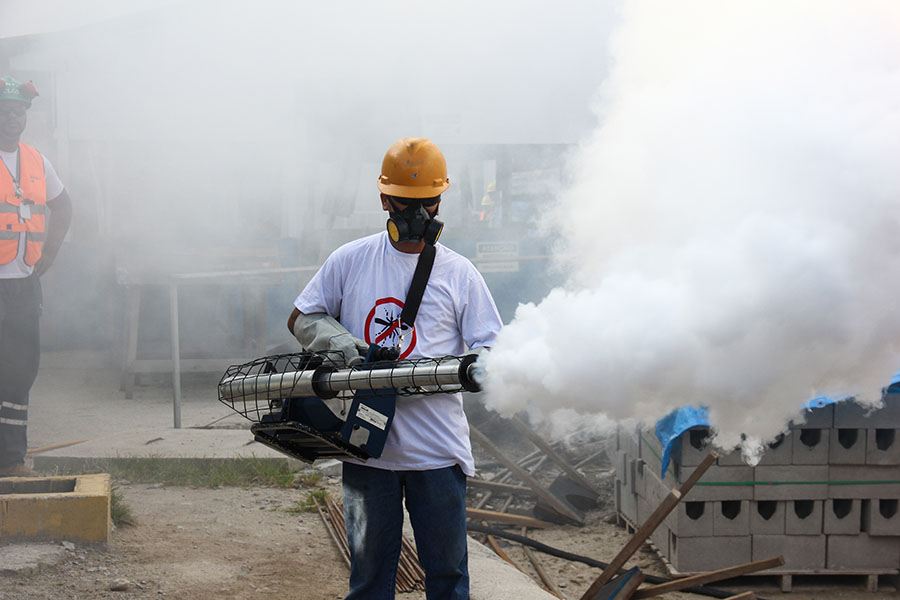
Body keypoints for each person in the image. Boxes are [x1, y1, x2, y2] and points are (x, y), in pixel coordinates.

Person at [287, 137, 502, 599]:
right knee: (369, 582)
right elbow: (302, 317)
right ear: (385, 199)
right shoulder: (350, 261)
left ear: (441, 200)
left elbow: (492, 347)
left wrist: (477, 367)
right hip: (367, 451)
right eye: (407, 202)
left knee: (448, 579)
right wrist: (348, 349)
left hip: (437, 452)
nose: (419, 214)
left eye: (429, 202)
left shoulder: (459, 273)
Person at [0, 76, 72, 477]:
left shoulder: (36, 161)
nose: (12, 119)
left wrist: (51, 252)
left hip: (24, 285)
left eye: (18, 112)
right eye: (4, 112)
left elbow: (64, 207)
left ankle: (11, 460)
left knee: (20, 371)